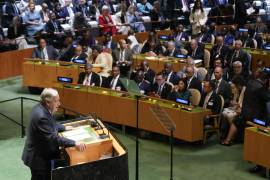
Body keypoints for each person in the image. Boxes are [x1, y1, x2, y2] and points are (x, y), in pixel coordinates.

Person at [22, 88, 86, 180]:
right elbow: (53, 138)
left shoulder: (41, 108)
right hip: (38, 160)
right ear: (48, 102)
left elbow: (51, 123)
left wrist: (63, 127)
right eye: (56, 101)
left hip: (40, 154)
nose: (59, 104)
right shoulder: (41, 116)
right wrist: (74, 143)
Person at [221, 75, 246, 142]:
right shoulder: (237, 90)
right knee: (223, 113)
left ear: (238, 84)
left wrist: (238, 107)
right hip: (237, 108)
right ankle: (225, 134)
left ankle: (234, 135)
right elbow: (235, 102)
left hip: (243, 110)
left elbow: (242, 104)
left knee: (230, 116)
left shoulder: (245, 90)